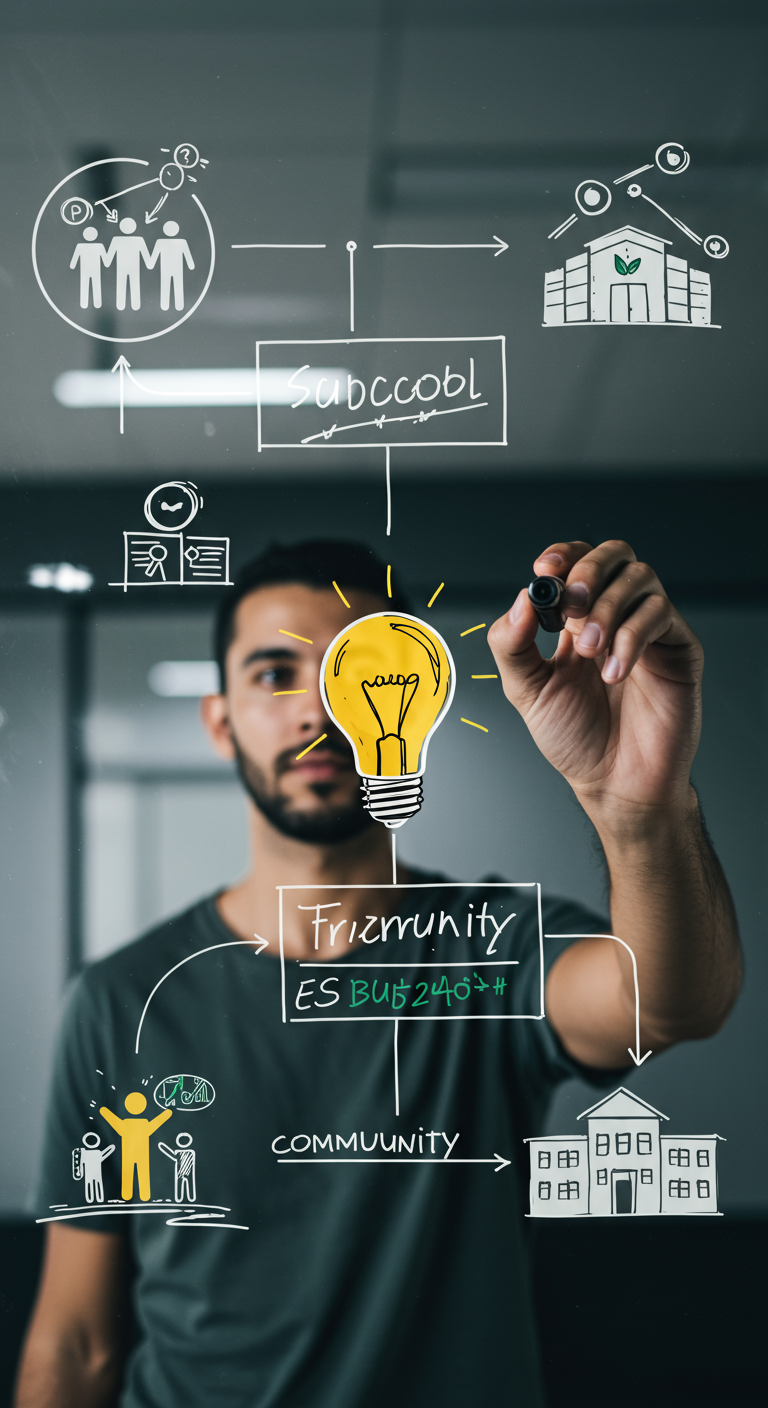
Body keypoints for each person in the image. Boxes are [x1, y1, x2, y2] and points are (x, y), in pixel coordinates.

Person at [15, 538, 741, 1408]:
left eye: (357, 668)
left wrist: (639, 806)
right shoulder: (123, 999)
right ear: (220, 721)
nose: (318, 706)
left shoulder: (490, 949)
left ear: (418, 700)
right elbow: (76, 1341)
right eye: (275, 673)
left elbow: (667, 1006)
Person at [99, 1093, 172, 1202]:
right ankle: (143, 1195)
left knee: (129, 1172)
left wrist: (104, 1111)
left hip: (129, 1153)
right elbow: (155, 1124)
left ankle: (129, 1195)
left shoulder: (127, 1124)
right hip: (139, 1153)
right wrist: (166, 1113)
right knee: (142, 1173)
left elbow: (114, 1122)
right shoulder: (142, 1124)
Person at [146, 221, 195, 311]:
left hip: (171, 268)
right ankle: (175, 305)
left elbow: (187, 255)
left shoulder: (167, 242)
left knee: (169, 285)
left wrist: (151, 264)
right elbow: (187, 255)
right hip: (171, 268)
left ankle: (170, 305)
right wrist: (190, 265)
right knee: (174, 285)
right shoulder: (178, 242)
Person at [105, 218, 152, 311]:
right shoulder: (138, 240)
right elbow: (146, 255)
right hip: (131, 267)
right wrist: (149, 263)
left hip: (124, 267)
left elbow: (109, 256)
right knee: (133, 284)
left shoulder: (117, 240)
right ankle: (134, 305)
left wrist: (107, 262)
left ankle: (122, 305)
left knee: (122, 284)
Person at [69, 227, 110, 309]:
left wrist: (72, 265)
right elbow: (106, 261)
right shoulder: (99, 246)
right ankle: (97, 304)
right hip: (95, 270)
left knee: (85, 285)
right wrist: (107, 263)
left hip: (85, 270)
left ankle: (84, 304)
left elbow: (74, 259)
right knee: (96, 285)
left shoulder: (81, 246)